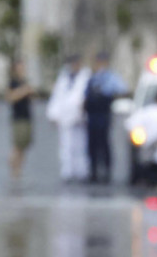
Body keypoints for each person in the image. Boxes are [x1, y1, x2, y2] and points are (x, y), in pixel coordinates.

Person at [84, 51, 128, 184]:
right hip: (92, 115)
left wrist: (107, 92)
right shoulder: (92, 78)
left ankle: (107, 171)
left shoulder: (111, 77)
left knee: (104, 143)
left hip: (104, 114)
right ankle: (93, 171)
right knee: (92, 144)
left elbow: (122, 89)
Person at [46, 54, 91, 182]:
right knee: (66, 146)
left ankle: (82, 171)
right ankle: (67, 171)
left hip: (80, 119)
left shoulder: (86, 77)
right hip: (65, 118)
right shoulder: (64, 78)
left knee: (81, 146)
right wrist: (53, 114)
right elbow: (57, 97)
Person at [4, 60, 34, 181]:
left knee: (24, 145)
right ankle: (13, 168)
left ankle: (19, 169)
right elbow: (9, 97)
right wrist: (24, 91)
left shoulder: (24, 81)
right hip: (18, 118)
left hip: (27, 117)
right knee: (17, 145)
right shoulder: (13, 82)